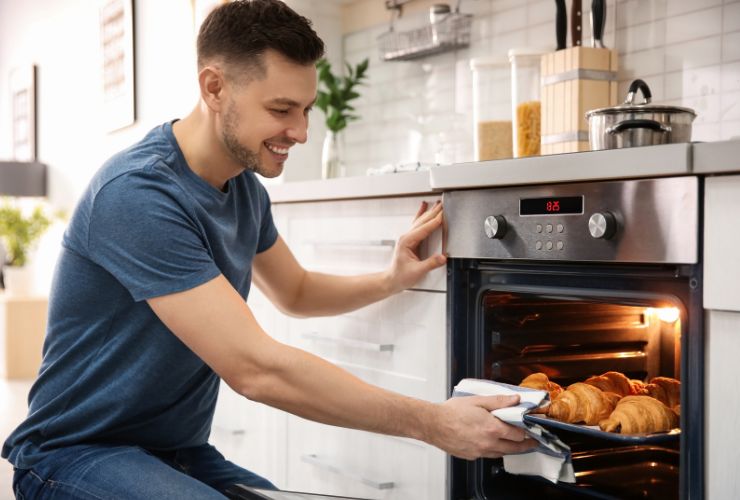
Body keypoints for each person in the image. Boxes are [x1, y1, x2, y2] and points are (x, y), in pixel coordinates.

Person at [3, 1, 535, 498]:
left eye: (305, 109)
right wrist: (433, 422)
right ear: (214, 88)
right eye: (282, 109)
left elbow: (296, 291)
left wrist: (390, 278)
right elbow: (256, 369)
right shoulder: (137, 195)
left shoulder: (245, 189)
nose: (300, 131)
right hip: (72, 455)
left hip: (177, 452)